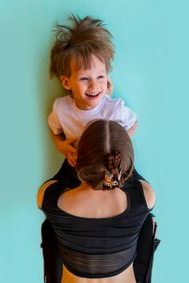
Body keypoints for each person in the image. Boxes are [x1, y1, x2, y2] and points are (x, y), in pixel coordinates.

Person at [37, 120, 159, 283]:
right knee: (147, 220)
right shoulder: (145, 197)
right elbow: (131, 176)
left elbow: (65, 176)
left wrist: (71, 155)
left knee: (49, 224)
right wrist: (118, 148)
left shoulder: (49, 198)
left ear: (79, 160)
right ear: (125, 160)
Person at [48, 14, 138, 185]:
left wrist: (121, 142)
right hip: (77, 169)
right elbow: (54, 130)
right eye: (84, 79)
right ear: (67, 82)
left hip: (109, 169)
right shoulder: (61, 109)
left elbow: (134, 123)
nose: (94, 86)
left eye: (100, 77)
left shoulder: (113, 108)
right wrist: (61, 146)